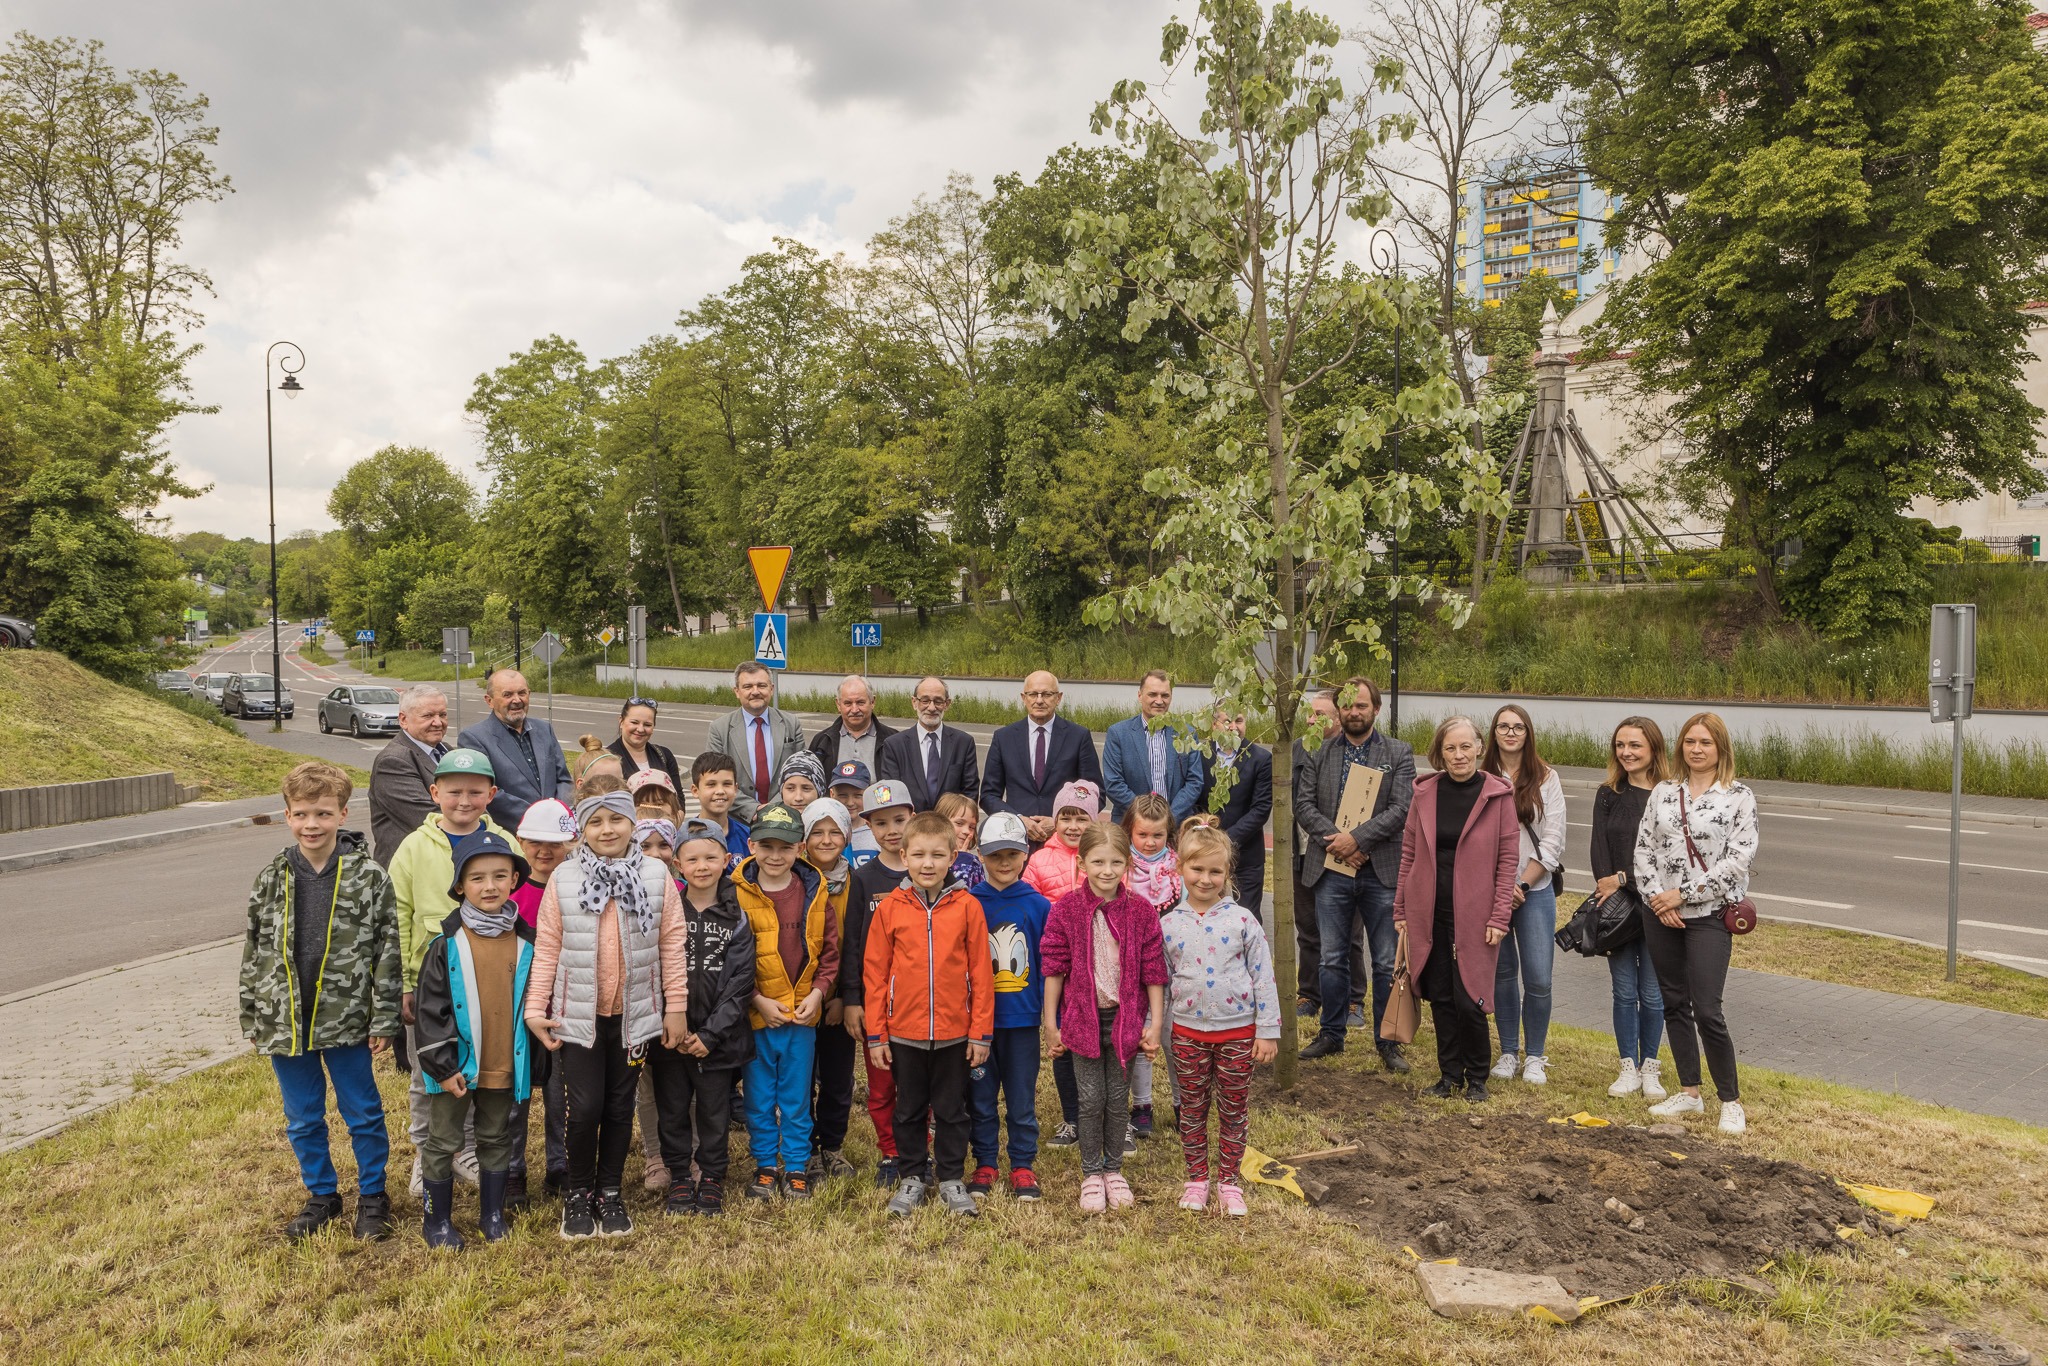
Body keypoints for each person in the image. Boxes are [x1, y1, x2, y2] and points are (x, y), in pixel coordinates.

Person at [239, 761, 401, 1242]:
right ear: (287, 816)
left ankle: (373, 1195)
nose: (313, 824)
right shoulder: (271, 878)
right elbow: (255, 947)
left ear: (343, 813)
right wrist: (252, 1011)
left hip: (347, 1017)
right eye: (303, 814)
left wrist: (384, 1016)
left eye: (323, 813)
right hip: (285, 1018)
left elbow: (387, 950)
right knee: (303, 1117)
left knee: (363, 1111)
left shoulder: (368, 877)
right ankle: (321, 1194)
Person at [524, 790, 689, 1239]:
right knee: (586, 1108)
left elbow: (672, 946)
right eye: (596, 822)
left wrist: (675, 1007)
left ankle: (610, 1191)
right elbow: (549, 948)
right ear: (582, 830)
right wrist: (536, 1009)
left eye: (616, 820)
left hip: (634, 1016)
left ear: (633, 824)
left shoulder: (656, 875)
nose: (607, 830)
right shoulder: (564, 877)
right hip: (578, 1016)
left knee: (619, 1106)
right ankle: (579, 1192)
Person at [388, 748, 511, 1198]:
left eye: (475, 791)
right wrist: (403, 981)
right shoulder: (415, 846)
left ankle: (469, 1148)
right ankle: (426, 1153)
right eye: (454, 791)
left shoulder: (504, 842)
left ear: (491, 794)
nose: (464, 800)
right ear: (434, 792)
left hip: (489, 981)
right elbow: (398, 913)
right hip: (431, 982)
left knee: (483, 1066)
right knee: (429, 1073)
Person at [865, 810, 995, 1218]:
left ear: (953, 857)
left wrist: (980, 1033)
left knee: (953, 1109)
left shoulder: (968, 907)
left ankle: (953, 1177)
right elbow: (874, 973)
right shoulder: (889, 908)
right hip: (903, 1032)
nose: (927, 864)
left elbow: (981, 973)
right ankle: (912, 1176)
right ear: (903, 856)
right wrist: (876, 1034)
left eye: (937, 855)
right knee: (908, 1109)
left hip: (955, 1033)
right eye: (918, 854)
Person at [1635, 712, 1759, 1135]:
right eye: (1690, 741)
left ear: (1720, 747)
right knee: (1673, 1002)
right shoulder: (1664, 793)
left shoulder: (1739, 796)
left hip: (1708, 915)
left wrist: (1683, 895)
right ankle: (1690, 1091)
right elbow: (1644, 848)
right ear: (1680, 747)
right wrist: (1658, 899)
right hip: (1662, 915)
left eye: (1705, 742)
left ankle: (1730, 1100)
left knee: (1707, 1009)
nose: (1697, 749)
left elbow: (1737, 862)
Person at [413, 830, 537, 1248]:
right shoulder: (445, 946)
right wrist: (443, 1067)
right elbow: (431, 1014)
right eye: (478, 878)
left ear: (514, 881)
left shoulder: (527, 943)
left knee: (496, 1136)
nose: (490, 886)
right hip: (456, 1070)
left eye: (500, 876)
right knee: (444, 1139)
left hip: (503, 1061)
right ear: (460, 887)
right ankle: (437, 1221)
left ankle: (493, 1214)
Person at [1040, 822, 1167, 1214]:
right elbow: (1054, 969)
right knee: (1090, 1098)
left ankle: (1114, 1169)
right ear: (1082, 863)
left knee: (1116, 1098)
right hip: (1083, 1020)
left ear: (1127, 865)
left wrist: (1156, 1023)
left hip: (1125, 1020)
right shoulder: (1066, 911)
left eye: (1115, 862)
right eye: (1098, 861)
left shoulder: (1141, 912)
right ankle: (1091, 1172)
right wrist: (1051, 1023)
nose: (1107, 870)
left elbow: (1153, 971)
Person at [1394, 717, 1519, 1102]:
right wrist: (1400, 909)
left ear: (1480, 748)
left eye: (1466, 747)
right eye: (1451, 748)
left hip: (1477, 916)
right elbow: (1409, 854)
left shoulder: (1498, 796)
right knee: (1442, 996)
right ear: (1440, 752)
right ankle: (1449, 1076)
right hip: (1428, 911)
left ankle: (1477, 1076)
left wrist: (1500, 916)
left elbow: (1507, 861)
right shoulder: (1425, 793)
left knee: (1470, 997)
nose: (1459, 755)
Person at [1297, 678, 1416, 1070]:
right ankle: (1331, 1033)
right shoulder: (1319, 751)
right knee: (1332, 958)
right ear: (1340, 709)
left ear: (1376, 709)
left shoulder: (1398, 753)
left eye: (1362, 705)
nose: (1354, 712)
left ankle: (1387, 1042)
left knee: (1384, 960)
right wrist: (1338, 842)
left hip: (1379, 870)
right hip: (1331, 869)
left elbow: (1401, 809)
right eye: (1347, 706)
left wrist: (1358, 842)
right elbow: (1304, 805)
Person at [1161, 825, 1279, 1217]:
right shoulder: (1168, 925)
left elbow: (1264, 976)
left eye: (1215, 871)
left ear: (1227, 873)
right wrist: (1152, 1028)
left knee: (1233, 1107)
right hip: (1187, 1034)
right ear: (1181, 868)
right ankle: (1197, 1178)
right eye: (1197, 870)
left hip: (1238, 1033)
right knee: (1192, 1108)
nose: (1205, 879)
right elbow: (1159, 981)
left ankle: (1228, 1181)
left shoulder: (1243, 921)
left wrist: (1267, 1031)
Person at [648, 818, 757, 1217]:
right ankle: (680, 1175)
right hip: (670, 1038)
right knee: (672, 1110)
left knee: (714, 1112)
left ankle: (711, 1176)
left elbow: (741, 982)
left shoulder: (738, 917)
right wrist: (667, 1022)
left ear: (726, 860)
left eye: (711, 856)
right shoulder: (665, 911)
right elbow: (653, 969)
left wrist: (710, 1034)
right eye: (692, 858)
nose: (702, 866)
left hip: (718, 1041)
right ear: (677, 864)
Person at [733, 802, 839, 1201]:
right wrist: (756, 1000)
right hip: (758, 1017)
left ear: (800, 850)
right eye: (767, 846)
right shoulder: (736, 893)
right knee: (758, 1096)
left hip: (801, 1016)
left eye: (786, 847)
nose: (776, 855)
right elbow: (730, 961)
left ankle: (795, 1164)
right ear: (751, 846)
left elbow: (830, 951)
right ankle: (765, 1164)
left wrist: (818, 992)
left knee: (796, 1097)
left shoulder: (815, 891)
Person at [965, 811, 1050, 1202]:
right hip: (977, 1024)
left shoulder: (1039, 906)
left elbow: (1050, 966)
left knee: (1020, 1097)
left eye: (1012, 854)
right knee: (980, 1097)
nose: (1003, 862)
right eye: (994, 853)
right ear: (979, 854)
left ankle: (1022, 1165)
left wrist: (1051, 1018)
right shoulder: (966, 904)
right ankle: (985, 1161)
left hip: (1022, 1020)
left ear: (1026, 854)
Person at [1482, 704, 1567, 1087]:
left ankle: (1535, 1055)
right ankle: (1507, 1052)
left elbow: (1553, 841)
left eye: (1518, 727)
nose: (1511, 733)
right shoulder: (1480, 775)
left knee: (1538, 977)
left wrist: (1523, 885)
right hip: (1488, 892)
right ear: (1494, 732)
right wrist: (1498, 888)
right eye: (1504, 726)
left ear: (1528, 733)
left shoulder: (1546, 777)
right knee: (1502, 975)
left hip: (1534, 892)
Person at [840, 780, 915, 1183]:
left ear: (913, 818)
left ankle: (920, 1148)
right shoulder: (864, 878)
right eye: (881, 822)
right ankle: (890, 1152)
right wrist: (853, 998)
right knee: (883, 1085)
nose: (892, 830)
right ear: (867, 824)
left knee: (919, 1082)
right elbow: (852, 941)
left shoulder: (931, 869)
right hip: (878, 1003)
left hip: (923, 1002)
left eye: (899, 820)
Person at [1022, 778, 1103, 1148]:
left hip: (1100, 969)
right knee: (1063, 1043)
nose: (1073, 826)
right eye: (1066, 817)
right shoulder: (1039, 860)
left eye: (1082, 818)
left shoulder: (1101, 858)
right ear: (1055, 819)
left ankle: (1107, 1116)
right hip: (1057, 969)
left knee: (1104, 1041)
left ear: (1094, 821)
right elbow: (1029, 908)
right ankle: (1072, 1118)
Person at [1592, 717, 1669, 1102]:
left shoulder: (1673, 795)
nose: (1626, 752)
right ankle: (1627, 1067)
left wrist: (1623, 879)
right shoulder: (1609, 794)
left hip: (1658, 909)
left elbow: (1670, 859)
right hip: (1619, 913)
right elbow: (1599, 855)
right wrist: (1613, 886)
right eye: (1620, 745)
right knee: (1624, 992)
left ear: (1653, 748)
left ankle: (1650, 1068)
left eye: (1635, 745)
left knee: (1653, 995)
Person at [508, 796, 577, 1205]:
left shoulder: (576, 887)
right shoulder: (510, 892)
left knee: (561, 1096)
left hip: (563, 1010)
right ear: (520, 840)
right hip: (517, 1011)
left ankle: (560, 1165)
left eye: (554, 842)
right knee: (516, 1098)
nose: (544, 850)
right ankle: (513, 1170)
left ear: (571, 842)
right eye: (535, 841)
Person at [1291, 693, 1363, 1019]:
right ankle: (1309, 995)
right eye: (1308, 714)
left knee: (1348, 933)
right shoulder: (1296, 750)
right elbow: (1296, 805)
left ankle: (1353, 1001)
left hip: (1345, 856)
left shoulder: (1354, 754)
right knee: (1308, 929)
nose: (1310, 720)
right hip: (1305, 854)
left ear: (1338, 718)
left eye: (1319, 714)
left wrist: (1346, 843)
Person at [801, 798, 858, 1179]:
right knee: (800, 1080)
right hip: (800, 1001)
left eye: (834, 831)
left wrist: (843, 997)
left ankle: (832, 1146)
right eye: (816, 832)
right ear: (803, 839)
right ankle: (803, 1148)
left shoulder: (857, 882)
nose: (825, 839)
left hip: (837, 999)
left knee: (838, 1079)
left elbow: (856, 946)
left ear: (847, 836)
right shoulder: (794, 879)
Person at [980, 671, 1104, 844]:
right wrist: (1018, 820)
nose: (1039, 700)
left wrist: (1058, 822)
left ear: (1058, 698)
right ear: (1024, 698)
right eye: (1033, 694)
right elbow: (988, 796)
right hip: (1016, 840)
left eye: (1047, 694)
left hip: (1063, 840)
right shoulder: (1003, 738)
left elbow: (1095, 793)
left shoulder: (1078, 736)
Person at [1122, 791, 1180, 1141]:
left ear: (1167, 833)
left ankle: (1183, 1103)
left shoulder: (1177, 870)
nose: (1149, 842)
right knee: (1143, 1036)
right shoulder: (1122, 868)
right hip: (1132, 968)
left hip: (1171, 969)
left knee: (1174, 1036)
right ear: (1130, 830)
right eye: (1142, 835)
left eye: (1157, 835)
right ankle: (1142, 1106)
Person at [458, 670, 575, 831]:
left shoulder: (544, 729)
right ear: (489, 701)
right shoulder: (474, 738)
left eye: (522, 693)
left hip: (556, 831)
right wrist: (537, 817)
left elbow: (564, 779)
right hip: (512, 835)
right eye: (507, 695)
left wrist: (559, 813)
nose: (517, 700)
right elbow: (486, 791)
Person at [704, 661, 806, 822]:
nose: (755, 691)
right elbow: (715, 780)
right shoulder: (719, 729)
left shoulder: (791, 724)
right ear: (737, 691)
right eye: (748, 687)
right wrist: (754, 809)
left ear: (771, 689)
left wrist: (774, 809)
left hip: (784, 818)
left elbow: (800, 773)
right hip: (736, 821)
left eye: (761, 685)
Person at [1101, 670, 1204, 824]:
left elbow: (1194, 781)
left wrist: (1169, 818)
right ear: (1140, 695)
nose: (1159, 701)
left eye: (1165, 695)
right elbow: (1113, 783)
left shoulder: (1187, 733)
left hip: (1177, 823)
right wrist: (1145, 816)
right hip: (1130, 823)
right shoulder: (1118, 734)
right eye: (1152, 694)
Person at [1198, 710, 1272, 915]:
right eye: (1227, 721)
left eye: (1239, 721)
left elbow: (1261, 809)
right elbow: (1194, 799)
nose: (1234, 727)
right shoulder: (1199, 755)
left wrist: (1226, 841)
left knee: (1246, 918)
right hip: (1204, 852)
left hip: (1246, 857)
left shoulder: (1261, 758)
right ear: (1214, 725)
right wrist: (1207, 838)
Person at [368, 685, 449, 866]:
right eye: (428, 716)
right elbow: (429, 819)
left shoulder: (448, 752)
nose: (438, 722)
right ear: (403, 720)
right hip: (411, 872)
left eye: (442, 715)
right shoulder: (392, 762)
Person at [878, 675, 979, 811]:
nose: (931, 708)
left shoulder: (963, 743)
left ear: (947, 704)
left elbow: (970, 794)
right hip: (910, 829)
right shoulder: (894, 745)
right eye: (925, 700)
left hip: (950, 828)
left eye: (938, 701)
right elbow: (890, 795)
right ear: (914, 702)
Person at [807, 675, 897, 775]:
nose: (854, 710)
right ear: (838, 704)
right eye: (848, 703)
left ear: (872, 702)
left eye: (860, 702)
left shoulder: (894, 741)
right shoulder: (821, 742)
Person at [690, 751, 751, 869]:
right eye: (711, 784)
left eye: (727, 784)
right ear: (695, 790)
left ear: (735, 789)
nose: (720, 791)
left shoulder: (747, 836)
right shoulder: (685, 836)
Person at [607, 696, 682, 791]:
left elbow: (678, 798)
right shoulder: (607, 758)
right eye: (634, 722)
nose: (640, 729)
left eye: (647, 725)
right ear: (621, 722)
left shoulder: (664, 755)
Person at [829, 761, 880, 866]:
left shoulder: (879, 834)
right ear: (832, 794)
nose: (850, 803)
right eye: (843, 795)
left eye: (858, 795)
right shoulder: (824, 835)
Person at [936, 791, 985, 887]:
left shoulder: (973, 862)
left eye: (972, 827)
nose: (967, 831)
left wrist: (963, 859)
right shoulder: (929, 857)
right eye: (959, 823)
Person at [778, 749, 828, 815]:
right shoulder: (768, 823)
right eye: (790, 788)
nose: (798, 798)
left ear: (820, 791)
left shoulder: (833, 823)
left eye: (806, 789)